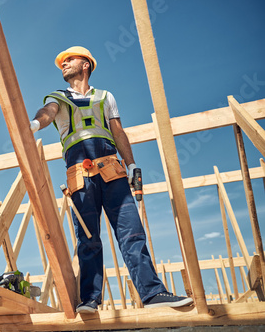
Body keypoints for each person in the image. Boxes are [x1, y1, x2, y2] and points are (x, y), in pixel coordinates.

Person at [30, 46, 193, 313]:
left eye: (70, 59)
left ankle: (153, 294)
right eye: (63, 61)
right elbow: (48, 111)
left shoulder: (105, 97)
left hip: (112, 170)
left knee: (132, 233)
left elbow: (118, 131)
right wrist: (35, 124)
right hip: (80, 175)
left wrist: (131, 165)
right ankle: (90, 299)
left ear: (86, 65)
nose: (64, 64)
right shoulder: (58, 97)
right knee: (88, 238)